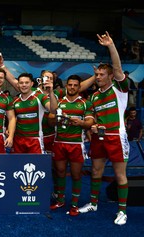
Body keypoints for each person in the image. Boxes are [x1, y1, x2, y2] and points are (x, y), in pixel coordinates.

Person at [78, 31, 129, 226]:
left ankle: (122, 211)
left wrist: (110, 46)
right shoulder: (94, 96)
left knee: (119, 175)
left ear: (110, 76)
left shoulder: (119, 88)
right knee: (96, 171)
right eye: (96, 74)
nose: (98, 77)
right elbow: (92, 117)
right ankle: (93, 203)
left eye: (101, 74)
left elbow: (117, 67)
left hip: (117, 136)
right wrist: (93, 125)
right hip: (99, 137)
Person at [49, 75, 95, 216]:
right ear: (66, 86)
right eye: (70, 85)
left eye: (75, 85)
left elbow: (89, 123)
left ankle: (74, 204)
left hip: (76, 144)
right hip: (59, 142)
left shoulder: (85, 103)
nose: (72, 87)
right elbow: (50, 121)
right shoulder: (59, 102)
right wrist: (58, 120)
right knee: (60, 172)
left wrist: (80, 123)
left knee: (76, 175)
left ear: (79, 87)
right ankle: (61, 200)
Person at [11, 73, 57, 153]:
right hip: (18, 140)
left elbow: (53, 110)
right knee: (18, 165)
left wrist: (51, 92)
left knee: (37, 165)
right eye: (21, 83)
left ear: (32, 84)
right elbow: (13, 119)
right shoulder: (15, 101)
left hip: (35, 140)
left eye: (26, 83)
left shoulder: (40, 97)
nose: (24, 85)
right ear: (18, 85)